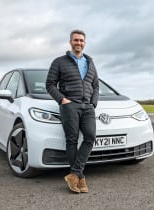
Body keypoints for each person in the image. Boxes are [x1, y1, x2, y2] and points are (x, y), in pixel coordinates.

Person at [46, 29, 99, 193]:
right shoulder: (59, 62)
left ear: (85, 43)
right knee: (72, 140)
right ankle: (80, 178)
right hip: (70, 105)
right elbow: (50, 84)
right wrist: (62, 100)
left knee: (90, 137)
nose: (79, 43)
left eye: (81, 40)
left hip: (87, 107)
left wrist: (93, 103)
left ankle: (74, 174)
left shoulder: (90, 62)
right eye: (76, 40)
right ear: (70, 42)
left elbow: (96, 85)